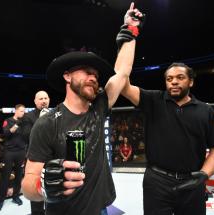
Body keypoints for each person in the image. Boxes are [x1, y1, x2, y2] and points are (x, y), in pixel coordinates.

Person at [22, 3, 144, 215]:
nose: (93, 77)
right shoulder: (48, 122)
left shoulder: (99, 106)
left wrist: (131, 29)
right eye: (86, 71)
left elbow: (122, 72)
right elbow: (28, 185)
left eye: (96, 75)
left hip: (100, 208)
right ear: (67, 76)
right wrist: (44, 186)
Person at [120, 62, 214, 214]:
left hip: (192, 181)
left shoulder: (205, 110)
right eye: (169, 79)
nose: (174, 82)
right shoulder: (154, 100)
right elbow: (123, 86)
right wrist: (125, 46)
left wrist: (204, 174)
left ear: (191, 81)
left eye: (180, 77)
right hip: (157, 181)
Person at [23, 90, 50, 215]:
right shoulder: (29, 116)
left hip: (52, 158)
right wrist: (41, 121)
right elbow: (26, 136)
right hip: (36, 160)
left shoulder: (55, 114)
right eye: (40, 99)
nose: (43, 101)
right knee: (36, 191)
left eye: (45, 98)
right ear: (35, 101)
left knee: (53, 190)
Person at [0, 104, 27, 211]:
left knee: (19, 175)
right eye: (21, 111)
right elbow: (6, 134)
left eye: (24, 111)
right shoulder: (8, 121)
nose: (23, 113)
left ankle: (15, 196)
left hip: (21, 152)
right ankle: (0, 200)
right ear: (16, 111)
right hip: (9, 152)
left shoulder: (25, 122)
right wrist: (17, 124)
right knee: (5, 176)